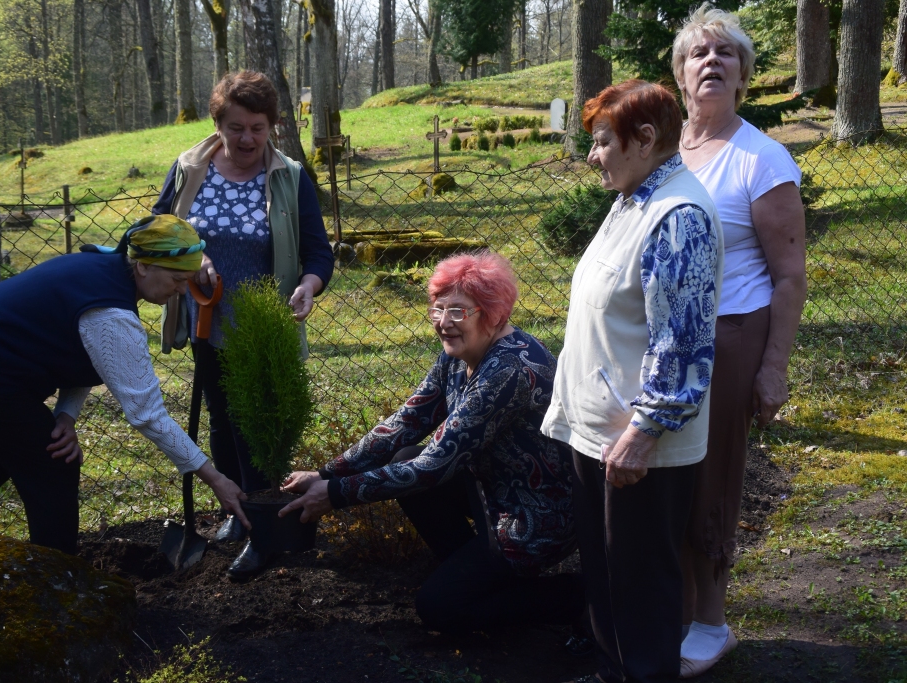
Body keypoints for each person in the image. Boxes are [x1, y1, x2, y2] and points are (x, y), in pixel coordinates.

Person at [281, 252, 585, 634]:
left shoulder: (508, 370)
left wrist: (335, 494)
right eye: (438, 309)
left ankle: (579, 598)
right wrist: (326, 473)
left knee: (440, 608)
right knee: (406, 453)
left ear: (492, 314)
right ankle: (478, 575)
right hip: (495, 493)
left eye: (458, 311)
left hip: (535, 517)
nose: (443, 322)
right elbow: (405, 423)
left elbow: (434, 467)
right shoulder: (459, 355)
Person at [0, 215, 250, 557]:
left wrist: (66, 415)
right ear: (144, 267)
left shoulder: (106, 269)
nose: (181, 290)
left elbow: (85, 351)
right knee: (54, 466)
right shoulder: (111, 314)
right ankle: (57, 575)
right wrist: (216, 478)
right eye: (176, 279)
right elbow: (148, 415)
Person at [541, 80, 724, 683]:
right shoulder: (633, 198)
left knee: (640, 581)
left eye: (601, 142)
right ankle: (612, 670)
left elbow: (683, 346)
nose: (593, 156)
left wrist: (644, 434)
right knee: (608, 574)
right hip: (601, 431)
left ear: (644, 140)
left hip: (640, 444)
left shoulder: (679, 218)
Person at [151, 70, 333, 581]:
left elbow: (318, 253)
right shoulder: (189, 168)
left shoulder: (289, 176)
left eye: (257, 128)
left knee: (257, 428)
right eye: (236, 128)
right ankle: (237, 509)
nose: (247, 139)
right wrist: (194, 257)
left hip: (264, 331)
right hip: (206, 320)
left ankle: (263, 531)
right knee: (221, 420)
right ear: (218, 124)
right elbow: (156, 229)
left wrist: (309, 285)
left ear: (272, 126)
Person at [672, 6, 806, 677]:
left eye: (726, 54)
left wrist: (772, 367)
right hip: (664, 340)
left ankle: (710, 622)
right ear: (680, 73)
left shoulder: (761, 158)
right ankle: (674, 610)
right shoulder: (664, 149)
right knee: (667, 474)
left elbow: (789, 277)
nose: (712, 62)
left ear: (744, 75)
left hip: (729, 336)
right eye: (699, 53)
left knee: (711, 474)